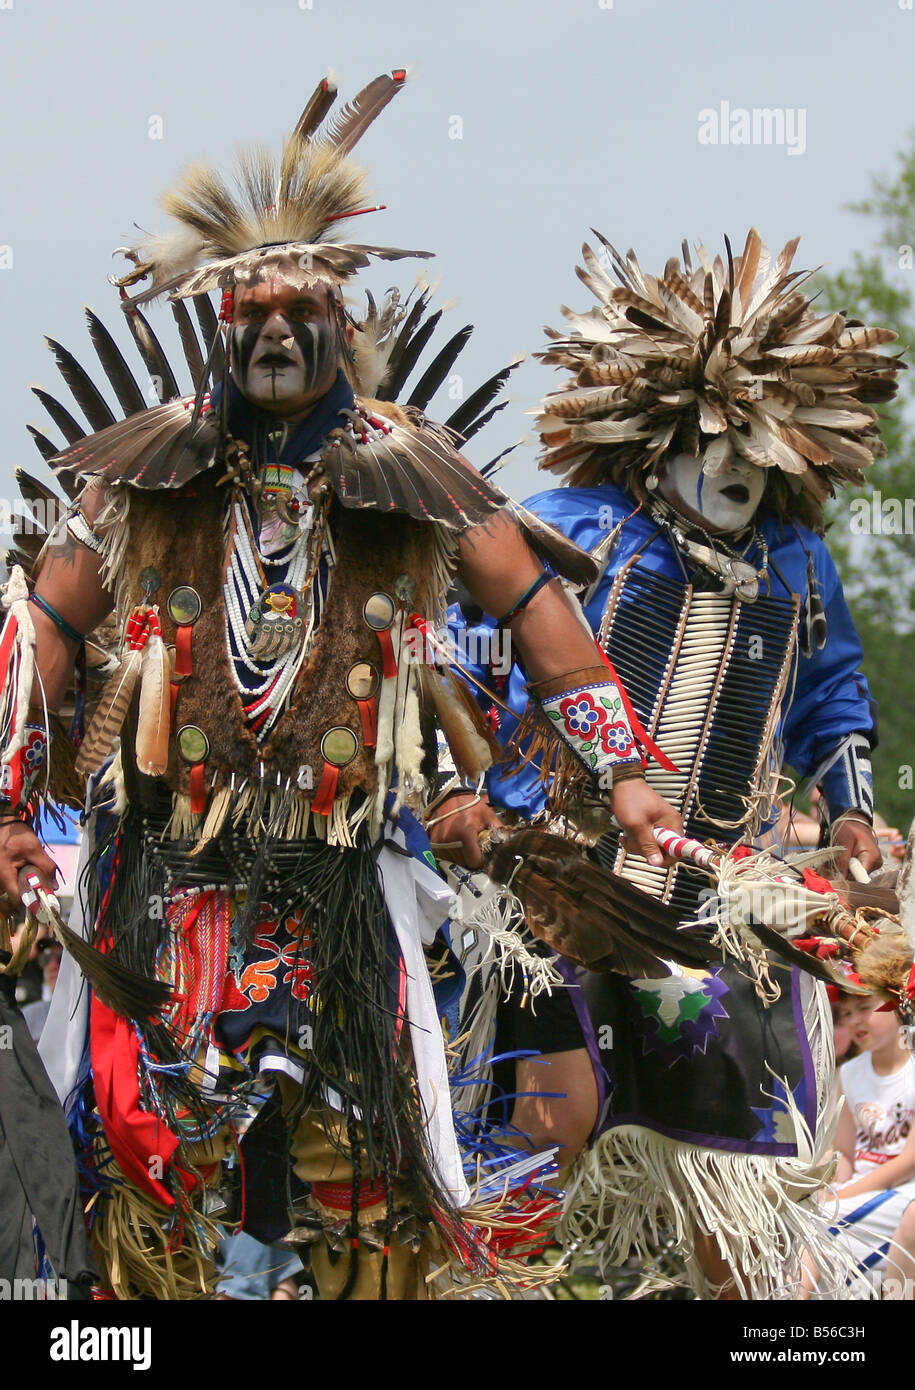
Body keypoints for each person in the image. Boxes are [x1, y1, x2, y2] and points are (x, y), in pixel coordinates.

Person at [0, 71, 676, 1301]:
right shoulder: (144, 476)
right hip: (165, 882)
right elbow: (43, 627)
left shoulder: (407, 469)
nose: (270, 330)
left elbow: (536, 611)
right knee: (156, 1181)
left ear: (339, 321)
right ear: (218, 321)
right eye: (248, 308)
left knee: (360, 1186)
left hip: (344, 886)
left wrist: (626, 769)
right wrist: (3, 799)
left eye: (297, 309)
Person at [438, 229, 900, 1298]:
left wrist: (849, 808)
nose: (736, 478)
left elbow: (832, 691)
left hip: (719, 886)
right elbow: (462, 656)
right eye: (720, 450)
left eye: (758, 461)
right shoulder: (564, 528)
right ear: (661, 437)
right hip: (564, 877)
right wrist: (462, 793)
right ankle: (490, 1285)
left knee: (738, 1172)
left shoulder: (796, 562)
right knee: (557, 1117)